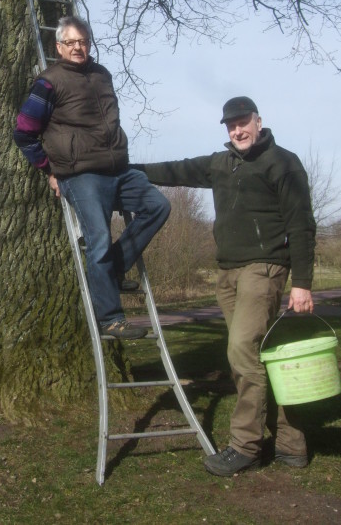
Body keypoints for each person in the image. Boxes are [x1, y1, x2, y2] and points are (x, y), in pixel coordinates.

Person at [139, 96, 316, 475]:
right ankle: (291, 445)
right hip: (228, 275)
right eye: (231, 125)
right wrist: (128, 169)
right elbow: (177, 169)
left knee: (241, 351)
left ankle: (245, 447)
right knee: (256, 358)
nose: (237, 130)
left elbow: (302, 225)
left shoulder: (282, 163)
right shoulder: (222, 164)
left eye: (243, 122)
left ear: (258, 121)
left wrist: (302, 283)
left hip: (264, 269)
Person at [14, 16, 171, 340]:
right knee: (98, 237)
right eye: (70, 42)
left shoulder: (102, 75)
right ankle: (110, 318)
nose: (77, 47)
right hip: (80, 174)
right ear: (59, 47)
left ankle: (112, 270)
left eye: (82, 41)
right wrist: (49, 170)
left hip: (118, 169)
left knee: (158, 205)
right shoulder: (48, 82)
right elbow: (24, 132)